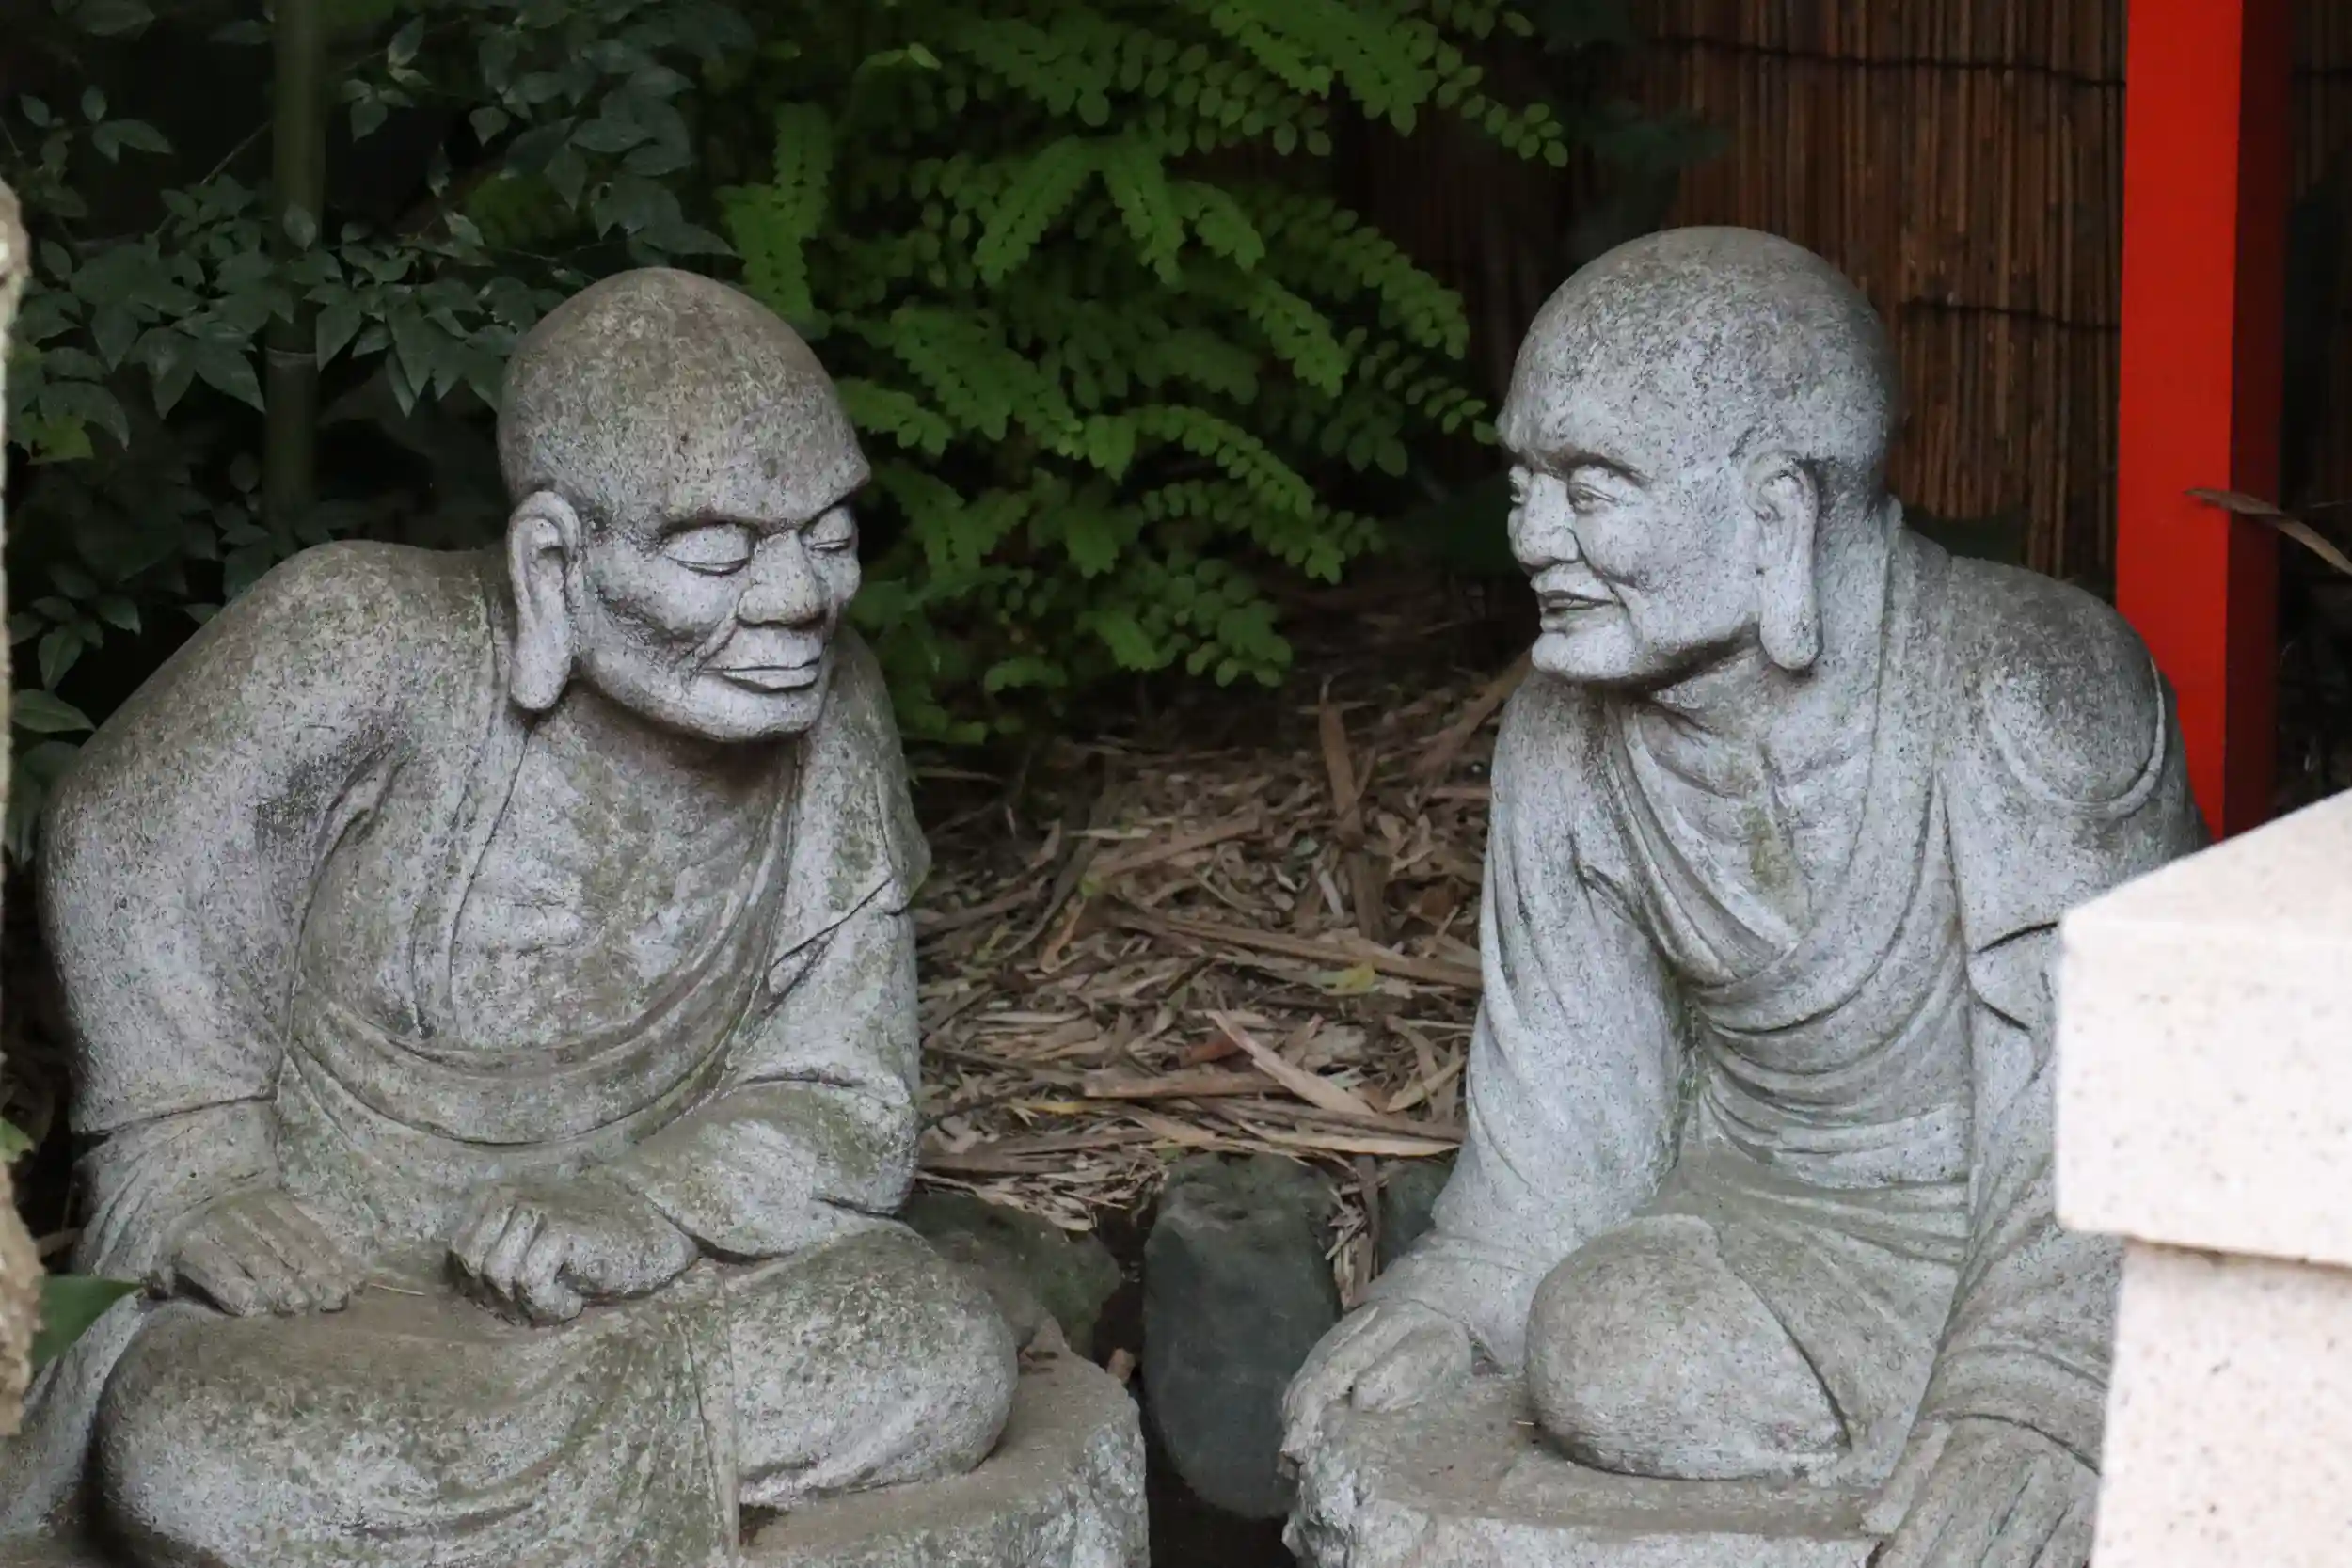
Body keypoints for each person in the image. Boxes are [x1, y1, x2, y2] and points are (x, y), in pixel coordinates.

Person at [1, 269, 1016, 1568]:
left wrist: (645, 1206)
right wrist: (193, 1162)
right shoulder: (364, 638)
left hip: (649, 1296)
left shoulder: (832, 710)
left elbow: (845, 1091)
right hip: (339, 1289)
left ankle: (505, 1506)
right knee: (196, 1440)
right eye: (718, 552)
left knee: (934, 1348)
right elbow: (123, 838)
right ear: (553, 560)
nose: (798, 598)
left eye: (828, 535)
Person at [1281, 229, 2203, 1567]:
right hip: (1744, 1228)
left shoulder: (2030, 688)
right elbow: (1571, 1124)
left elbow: (2115, 1100)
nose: (1533, 537)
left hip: (2003, 1234)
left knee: (1619, 1350)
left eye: (1593, 488)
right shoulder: (1563, 732)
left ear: (1777, 511)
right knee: (1604, 1335)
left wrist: (2040, 1397)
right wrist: (1468, 1295)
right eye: (1524, 482)